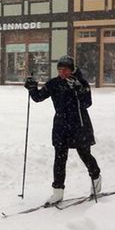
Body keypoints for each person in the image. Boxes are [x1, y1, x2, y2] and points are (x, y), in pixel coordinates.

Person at [25, 55, 101, 205]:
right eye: (59, 69)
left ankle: (96, 178)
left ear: (72, 69)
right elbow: (39, 97)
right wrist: (32, 88)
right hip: (61, 126)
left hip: (79, 124)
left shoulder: (81, 83)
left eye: (65, 69)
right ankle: (58, 192)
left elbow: (87, 103)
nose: (62, 72)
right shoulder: (54, 83)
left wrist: (79, 90)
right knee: (59, 158)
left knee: (84, 154)